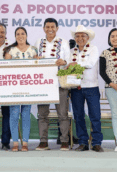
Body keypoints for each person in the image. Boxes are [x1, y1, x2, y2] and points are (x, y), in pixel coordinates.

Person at [34, 18, 71, 151]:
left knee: (62, 114)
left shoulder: (64, 42)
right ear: (44, 28)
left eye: (53, 27)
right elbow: (34, 59)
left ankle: (64, 141)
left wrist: (64, 62)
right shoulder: (38, 42)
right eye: (47, 26)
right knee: (42, 114)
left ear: (57, 28)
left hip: (59, 82)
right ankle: (43, 142)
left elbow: (70, 59)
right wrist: (35, 58)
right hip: (43, 84)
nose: (50, 29)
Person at [67, 25, 104, 152]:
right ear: (74, 38)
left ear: (88, 37)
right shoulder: (71, 52)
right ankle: (82, 142)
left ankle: (96, 142)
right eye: (77, 36)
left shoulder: (93, 49)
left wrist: (75, 64)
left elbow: (90, 63)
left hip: (91, 87)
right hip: (76, 87)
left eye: (83, 35)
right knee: (78, 115)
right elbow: (68, 68)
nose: (80, 38)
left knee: (95, 115)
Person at [4, 27, 37, 152]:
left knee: (26, 114)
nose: (20, 36)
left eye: (22, 33)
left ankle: (26, 142)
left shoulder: (33, 50)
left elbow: (37, 68)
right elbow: (6, 69)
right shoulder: (10, 50)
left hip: (28, 86)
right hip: (14, 87)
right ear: (15, 36)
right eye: (18, 34)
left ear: (26, 35)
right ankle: (15, 143)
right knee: (13, 114)